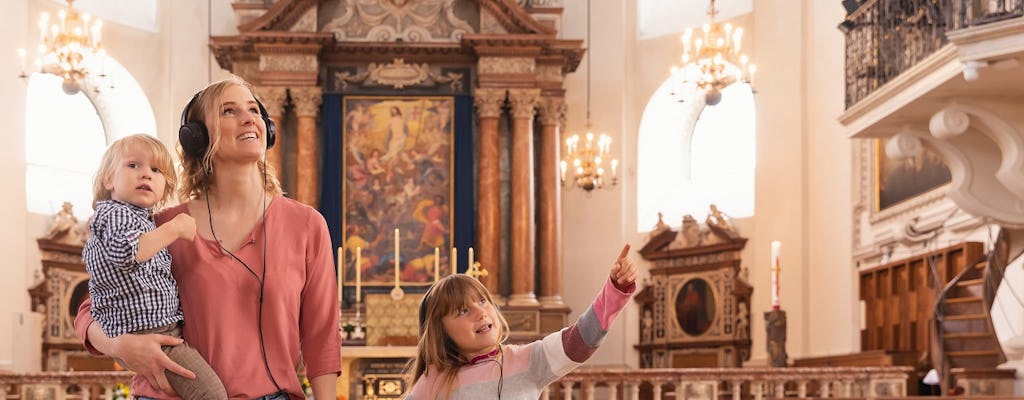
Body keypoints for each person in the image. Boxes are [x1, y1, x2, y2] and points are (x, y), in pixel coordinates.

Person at [74, 76, 340, 399]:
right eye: (229, 111)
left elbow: (321, 335)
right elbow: (92, 308)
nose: (249, 118)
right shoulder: (162, 228)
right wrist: (122, 346)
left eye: (254, 110)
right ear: (196, 138)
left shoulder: (307, 226)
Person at [83, 134, 225, 399]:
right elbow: (126, 252)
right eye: (133, 165)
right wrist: (174, 228)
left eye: (155, 170)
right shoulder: (115, 214)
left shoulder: (141, 219)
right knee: (212, 395)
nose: (145, 174)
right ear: (109, 180)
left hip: (153, 329)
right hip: (150, 334)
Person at [406, 244, 638, 399]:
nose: (481, 312)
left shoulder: (527, 360)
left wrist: (614, 290)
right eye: (463, 310)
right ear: (441, 331)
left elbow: (581, 340)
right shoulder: (435, 381)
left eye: (483, 301)